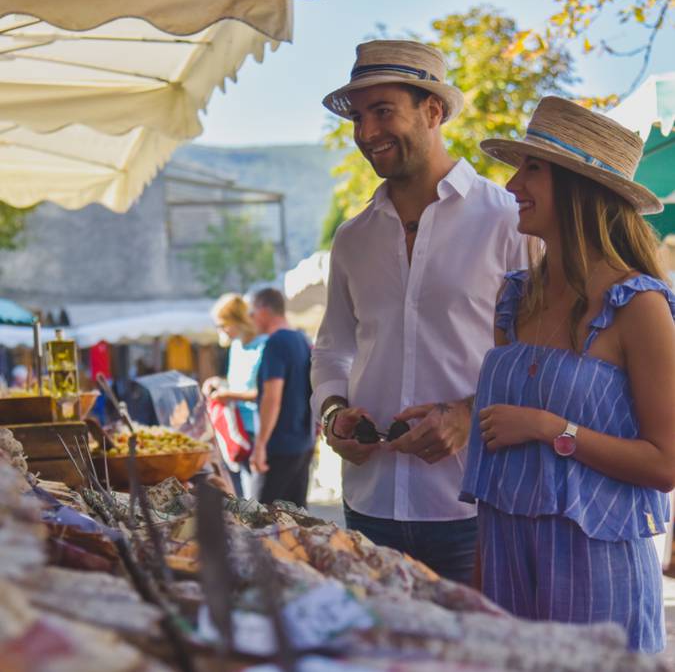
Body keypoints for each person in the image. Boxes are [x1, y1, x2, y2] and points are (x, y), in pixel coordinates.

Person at [459, 96, 675, 652]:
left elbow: (665, 463)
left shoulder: (639, 305)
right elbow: (495, 478)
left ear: (581, 188)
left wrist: (549, 427)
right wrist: (480, 596)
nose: (511, 185)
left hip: (598, 582)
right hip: (507, 568)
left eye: (533, 168)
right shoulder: (515, 298)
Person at [311, 40, 528, 584]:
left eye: (383, 111)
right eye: (358, 117)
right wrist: (333, 413)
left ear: (434, 110)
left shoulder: (508, 221)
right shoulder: (352, 238)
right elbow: (333, 348)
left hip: (475, 507)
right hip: (367, 507)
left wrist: (466, 417)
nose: (365, 133)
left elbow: (543, 354)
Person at [249, 288, 314, 507]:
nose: (251, 319)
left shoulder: (275, 343)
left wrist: (260, 445)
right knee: (296, 519)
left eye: (252, 313)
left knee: (260, 519)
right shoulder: (301, 339)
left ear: (264, 311)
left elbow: (272, 397)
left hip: (279, 447)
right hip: (303, 443)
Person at [202, 294, 267, 498]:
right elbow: (239, 384)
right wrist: (218, 383)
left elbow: (265, 393)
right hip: (236, 430)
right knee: (241, 494)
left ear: (237, 320)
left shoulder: (264, 346)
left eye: (223, 324)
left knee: (255, 497)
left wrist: (229, 394)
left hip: (257, 429)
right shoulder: (237, 346)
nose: (221, 331)